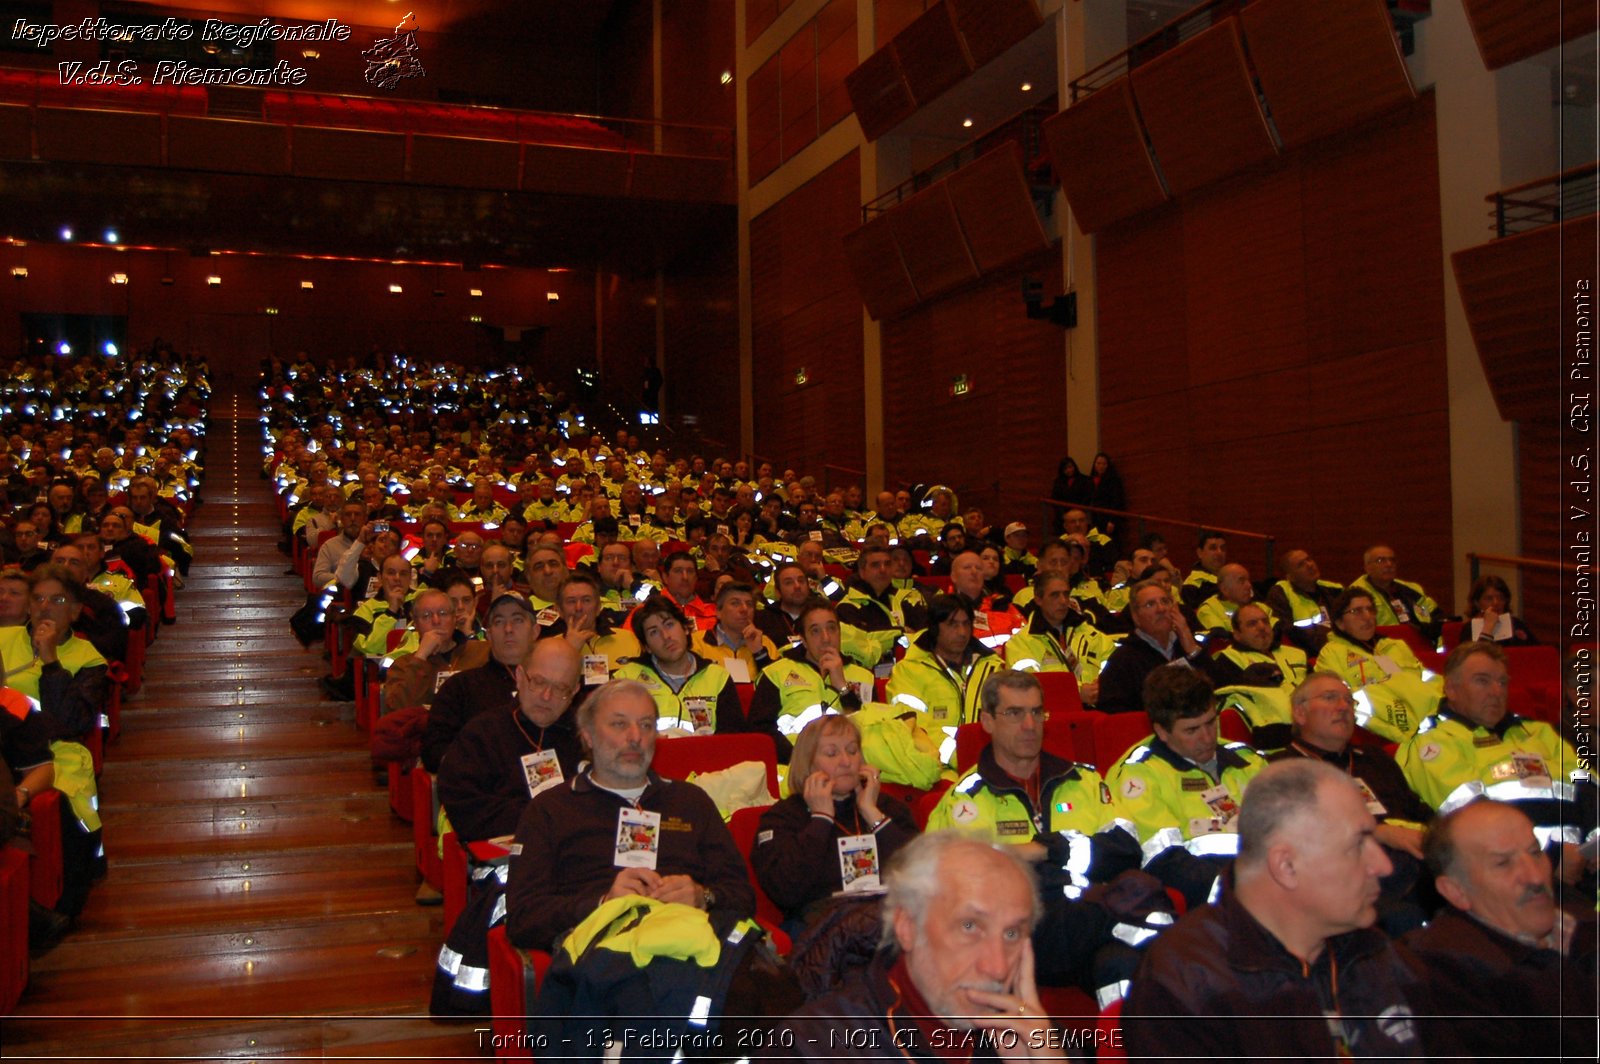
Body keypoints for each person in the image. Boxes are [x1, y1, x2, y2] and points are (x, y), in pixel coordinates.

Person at [1123, 759, 1425, 1059]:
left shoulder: (1371, 950)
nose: (1383, 866)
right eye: (1357, 846)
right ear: (1286, 866)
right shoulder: (1184, 983)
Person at [503, 680, 755, 952]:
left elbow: (742, 896)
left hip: (693, 944)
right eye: (619, 724)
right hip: (603, 953)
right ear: (587, 735)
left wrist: (703, 896)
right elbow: (523, 918)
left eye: (646, 725)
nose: (635, 736)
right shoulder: (550, 810)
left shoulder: (690, 802)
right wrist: (602, 904)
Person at [775, 832, 1071, 1061]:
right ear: (907, 927)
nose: (997, 967)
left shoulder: (1032, 1037)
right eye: (969, 926)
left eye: (1011, 934)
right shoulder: (810, 1048)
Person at [430, 639, 586, 1013]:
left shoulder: (586, 739)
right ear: (519, 676)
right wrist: (546, 822)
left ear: (575, 692)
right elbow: (469, 812)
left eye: (561, 688)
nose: (547, 696)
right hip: (503, 861)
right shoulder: (482, 734)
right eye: (537, 682)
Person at [1402, 801, 1596, 1060]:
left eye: (1535, 852)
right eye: (1503, 863)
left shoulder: (1583, 930)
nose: (1534, 877)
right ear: (1456, 890)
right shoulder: (1445, 977)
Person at [1398, 641, 1597, 887]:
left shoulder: (1537, 732)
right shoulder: (1433, 743)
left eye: (1502, 682)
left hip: (1582, 865)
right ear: (1451, 688)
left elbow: (1587, 786)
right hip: (1507, 876)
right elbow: (1474, 818)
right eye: (1482, 681)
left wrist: (1595, 843)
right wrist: (1553, 858)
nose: (1496, 691)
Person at [1269, 673, 1432, 934]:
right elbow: (1302, 836)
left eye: (1348, 700)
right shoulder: (1283, 768)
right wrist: (1379, 833)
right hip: (1353, 878)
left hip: (1419, 861)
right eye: (1330, 698)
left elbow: (1419, 811)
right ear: (1300, 713)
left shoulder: (1374, 759)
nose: (1343, 706)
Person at [1105, 666, 1267, 908]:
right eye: (1192, 730)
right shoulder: (1139, 774)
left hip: (1276, 883)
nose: (1207, 737)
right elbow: (1163, 861)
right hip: (1210, 901)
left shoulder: (1247, 759)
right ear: (1162, 731)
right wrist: (1243, 891)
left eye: (1211, 723)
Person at [753, 713, 918, 929]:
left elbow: (921, 875)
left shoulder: (885, 808)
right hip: (823, 929)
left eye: (852, 750)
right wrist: (821, 820)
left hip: (889, 922)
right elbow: (786, 891)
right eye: (832, 753)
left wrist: (872, 814)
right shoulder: (783, 818)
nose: (846, 762)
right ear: (808, 765)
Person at [419, 590, 537, 774]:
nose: (508, 629)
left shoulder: (553, 685)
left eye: (517, 620)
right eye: (498, 622)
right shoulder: (460, 687)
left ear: (535, 631)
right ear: (488, 634)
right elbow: (434, 752)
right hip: (488, 788)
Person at [748, 598, 874, 762]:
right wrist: (800, 758)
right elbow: (760, 730)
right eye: (815, 631)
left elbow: (871, 732)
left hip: (849, 767)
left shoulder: (864, 676)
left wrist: (843, 688)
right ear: (804, 640)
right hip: (793, 769)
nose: (826, 638)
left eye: (831, 628)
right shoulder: (776, 673)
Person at [886, 594, 1003, 762]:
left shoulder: (992, 668)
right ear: (934, 628)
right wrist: (963, 757)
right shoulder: (908, 672)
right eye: (952, 625)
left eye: (966, 624)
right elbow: (915, 728)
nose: (962, 632)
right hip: (937, 767)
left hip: (990, 763)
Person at [1318, 588, 1441, 743]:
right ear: (1340, 623)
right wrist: (1400, 735)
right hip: (1378, 731)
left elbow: (1427, 680)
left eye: (1370, 609)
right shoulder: (1332, 653)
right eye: (1357, 611)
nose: (1367, 617)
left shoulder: (1394, 646)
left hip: (1425, 720)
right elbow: (1338, 700)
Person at [614, 596, 744, 736]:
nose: (666, 636)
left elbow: (732, 741)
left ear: (685, 629)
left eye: (669, 624)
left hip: (704, 756)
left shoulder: (718, 677)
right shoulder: (626, 679)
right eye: (654, 632)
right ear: (647, 647)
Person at [1001, 571, 1115, 706]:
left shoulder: (1092, 635)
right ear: (1038, 599)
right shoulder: (1020, 643)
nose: (1063, 601)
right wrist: (1077, 692)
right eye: (1055, 595)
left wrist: (1101, 688)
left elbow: (1115, 671)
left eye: (1066, 594)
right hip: (1050, 718)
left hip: (1098, 712)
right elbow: (1026, 687)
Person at [1094, 579, 1207, 715]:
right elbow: (1115, 717)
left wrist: (1192, 649)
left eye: (1165, 601)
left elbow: (1219, 690)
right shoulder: (1123, 660)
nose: (1161, 609)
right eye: (1150, 604)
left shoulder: (1189, 646)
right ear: (1135, 616)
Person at [1209, 601, 1307, 749]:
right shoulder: (1229, 659)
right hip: (1277, 734)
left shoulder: (1296, 653)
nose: (1262, 627)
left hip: (1312, 719)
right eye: (1252, 624)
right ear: (1237, 634)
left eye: (1265, 622)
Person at [1350, 544, 1440, 644]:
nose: (1389, 564)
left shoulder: (1412, 589)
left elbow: (1434, 615)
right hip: (1382, 649)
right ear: (1367, 567)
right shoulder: (1356, 594)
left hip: (1421, 645)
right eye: (1381, 560)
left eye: (1392, 560)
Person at [1264, 549, 1342, 652]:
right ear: (1290, 576)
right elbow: (1287, 633)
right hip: (1308, 653)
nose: (1309, 565)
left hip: (1340, 649)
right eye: (1301, 565)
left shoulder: (1334, 589)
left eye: (1309, 559)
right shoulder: (1281, 594)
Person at [1460, 574, 1538, 646]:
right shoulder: (1470, 628)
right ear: (1477, 603)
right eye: (1489, 599)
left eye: (1501, 598)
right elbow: (1476, 657)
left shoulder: (1516, 624)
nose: (1496, 603)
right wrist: (1488, 627)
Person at [1180, 529, 1227, 610]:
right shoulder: (1192, 586)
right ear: (1200, 553)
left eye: (1222, 548)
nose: (1219, 552)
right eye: (1213, 548)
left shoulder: (1231, 578)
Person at [1048, 456, 1091, 536]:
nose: (1069, 470)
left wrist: (1078, 510)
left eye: (1070, 467)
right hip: (1063, 516)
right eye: (1065, 469)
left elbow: (1087, 497)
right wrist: (1064, 514)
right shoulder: (1058, 482)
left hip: (1080, 512)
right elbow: (1056, 500)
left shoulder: (1084, 480)